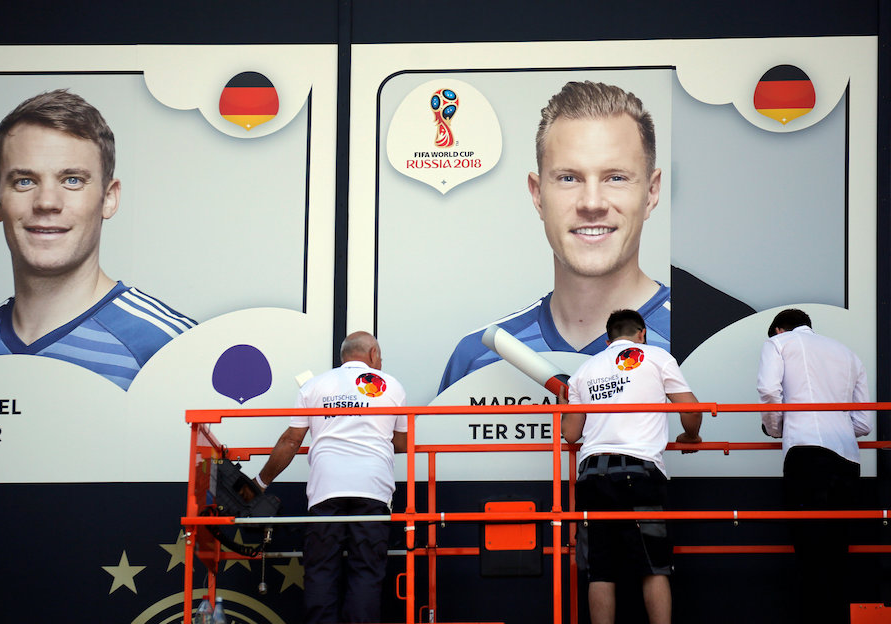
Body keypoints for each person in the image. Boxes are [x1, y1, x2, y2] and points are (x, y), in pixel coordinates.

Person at [0, 89, 194, 391]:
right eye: (25, 181)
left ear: (109, 199)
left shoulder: (171, 349)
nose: (46, 202)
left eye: (72, 180)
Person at [439, 81, 670, 393]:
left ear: (651, 192)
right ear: (537, 195)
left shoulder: (704, 341)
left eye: (616, 178)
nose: (592, 203)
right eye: (568, 178)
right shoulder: (477, 358)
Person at [252, 331, 407, 624]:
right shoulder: (392, 386)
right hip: (373, 489)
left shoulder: (314, 386)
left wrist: (258, 484)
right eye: (381, 356)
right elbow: (401, 443)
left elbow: (290, 441)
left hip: (326, 490)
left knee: (321, 570)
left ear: (343, 357)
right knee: (366, 572)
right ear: (373, 354)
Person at [562, 309, 702, 624]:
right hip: (640, 472)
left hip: (591, 474)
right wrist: (690, 436)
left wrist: (563, 410)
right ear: (642, 334)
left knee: (600, 569)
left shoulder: (585, 369)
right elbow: (691, 410)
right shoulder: (655, 357)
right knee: (654, 565)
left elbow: (570, 434)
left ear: (608, 338)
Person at [756, 308, 871, 624]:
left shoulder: (780, 343)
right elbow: (863, 423)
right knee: (837, 552)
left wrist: (775, 428)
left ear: (780, 330)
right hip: (848, 459)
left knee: (809, 551)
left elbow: (768, 390)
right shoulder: (848, 354)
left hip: (806, 453)